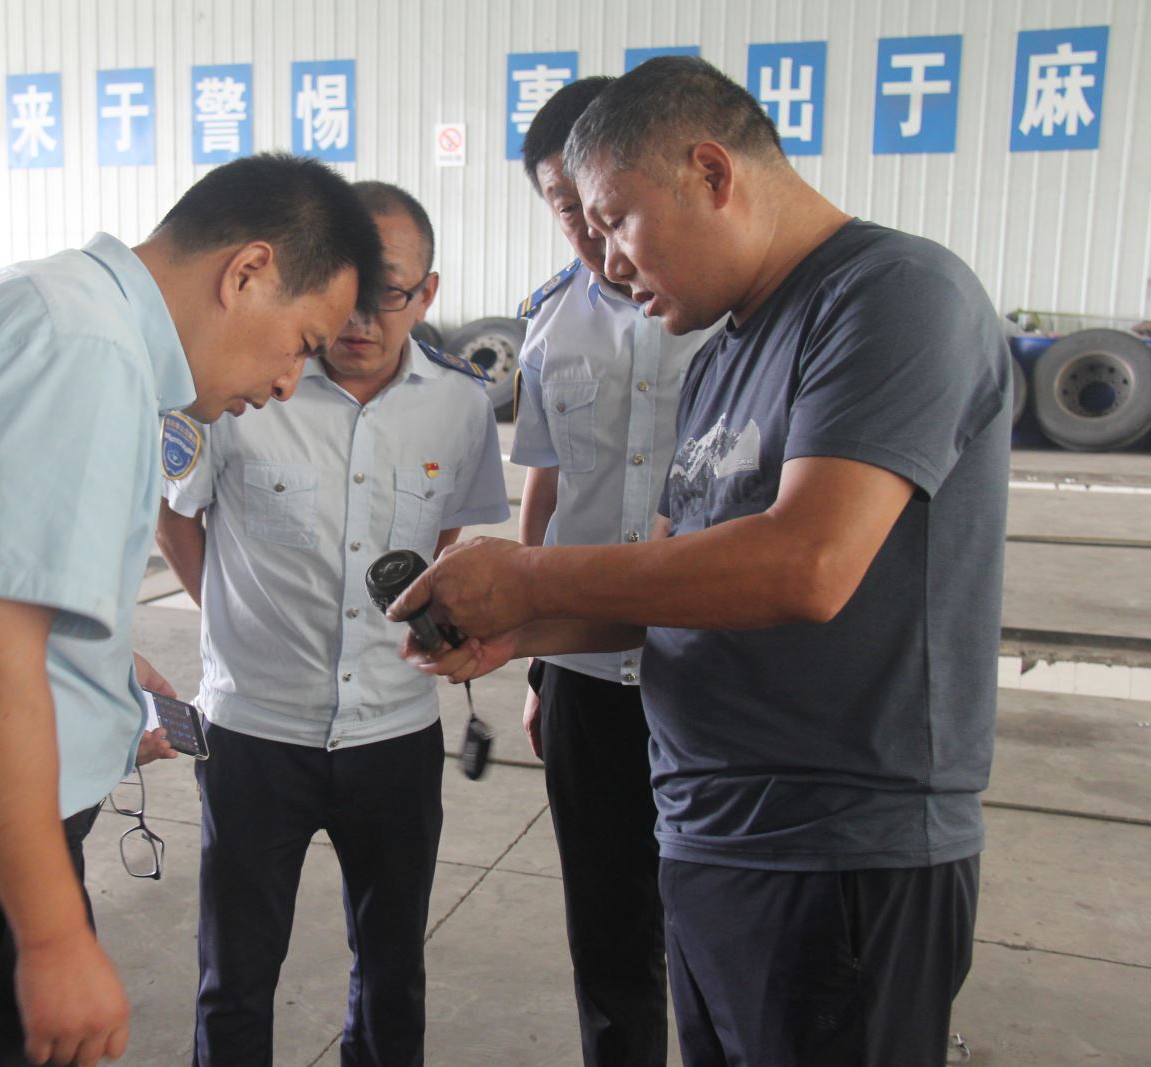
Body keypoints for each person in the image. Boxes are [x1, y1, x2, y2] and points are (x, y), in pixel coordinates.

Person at [389, 57, 1009, 1067]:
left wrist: (532, 575)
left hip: (835, 849)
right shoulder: (724, 354)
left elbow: (805, 563)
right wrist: (524, 632)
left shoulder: (892, 296)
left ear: (711, 173)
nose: (604, 258)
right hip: (708, 831)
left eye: (615, 221)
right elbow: (675, 578)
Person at [0, 153, 385, 1067]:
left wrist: (94, 674)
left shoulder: (39, 305)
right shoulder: (85, 353)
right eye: (302, 342)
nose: (291, 382)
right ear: (248, 272)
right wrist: (55, 938)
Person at [156, 181, 510, 1067]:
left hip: (394, 733)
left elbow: (447, 544)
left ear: (427, 294)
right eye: (348, 292)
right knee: (234, 976)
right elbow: (177, 517)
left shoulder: (460, 406)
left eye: (390, 294)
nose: (361, 320)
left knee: (392, 974)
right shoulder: (250, 380)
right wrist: (235, 622)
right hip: (254, 733)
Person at [512, 76, 716, 1067]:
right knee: (605, 927)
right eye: (568, 211)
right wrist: (536, 658)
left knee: (715, 921)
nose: (593, 233)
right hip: (586, 674)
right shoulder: (549, 326)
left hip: (708, 667)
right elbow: (546, 493)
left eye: (606, 208)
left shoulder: (727, 314)